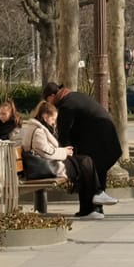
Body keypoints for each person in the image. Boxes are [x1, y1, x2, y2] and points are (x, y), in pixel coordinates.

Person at [45, 80, 123, 219]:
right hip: (105, 138)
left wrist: (64, 153)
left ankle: (91, 208)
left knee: (87, 167)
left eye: (48, 100)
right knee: (94, 169)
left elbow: (64, 133)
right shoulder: (74, 96)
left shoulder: (66, 105)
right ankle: (93, 209)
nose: (49, 104)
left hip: (98, 139)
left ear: (52, 96)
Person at [19, 101, 71, 181]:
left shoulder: (36, 128)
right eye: (53, 119)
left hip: (40, 166)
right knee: (82, 163)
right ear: (45, 117)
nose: (54, 123)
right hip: (41, 168)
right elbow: (46, 153)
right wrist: (64, 152)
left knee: (81, 162)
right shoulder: (38, 131)